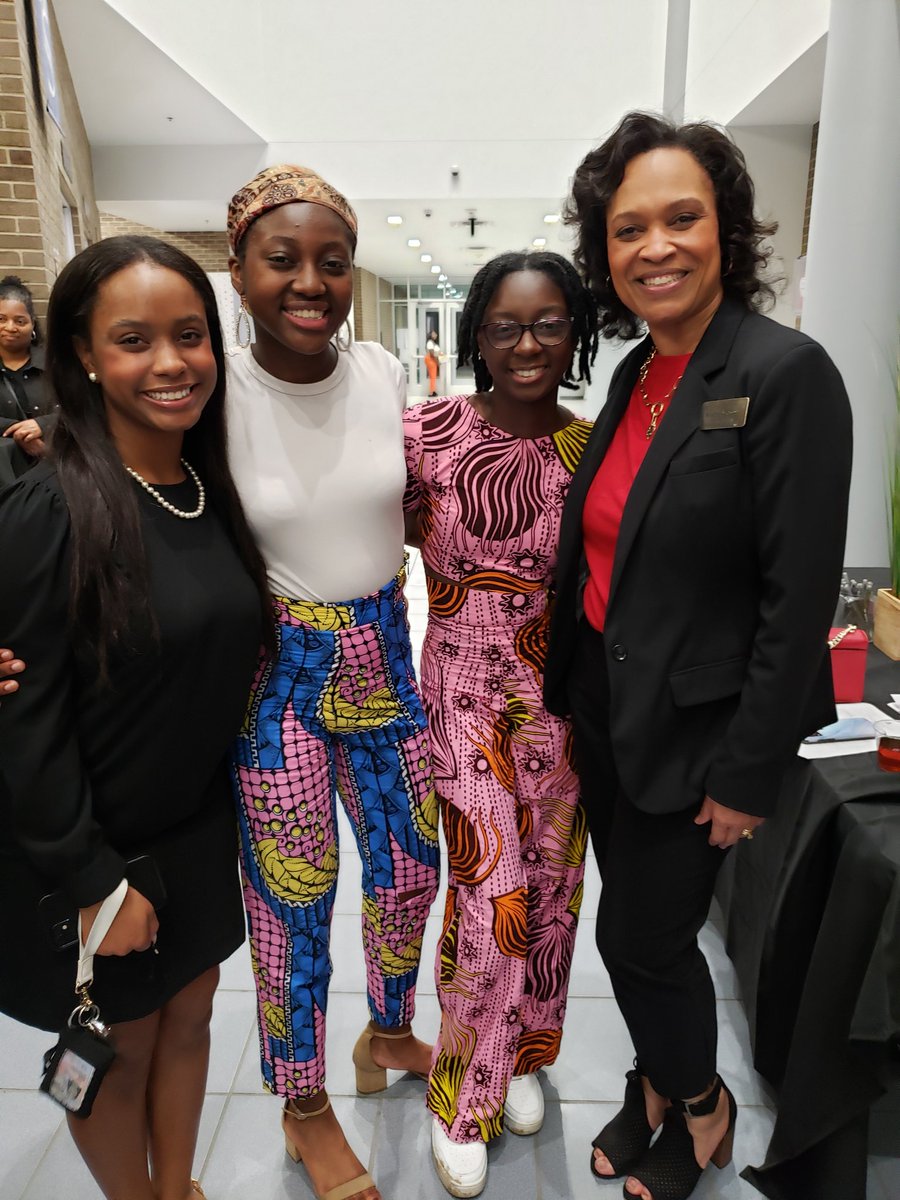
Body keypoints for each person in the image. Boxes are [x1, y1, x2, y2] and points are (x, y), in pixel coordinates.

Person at [542, 111, 853, 1200]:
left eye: (682, 218)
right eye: (629, 229)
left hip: (702, 737)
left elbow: (795, 594)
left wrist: (748, 769)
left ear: (727, 229)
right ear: (605, 249)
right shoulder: (638, 374)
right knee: (639, 932)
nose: (656, 247)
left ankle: (704, 1104)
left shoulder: (783, 373)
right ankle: (654, 1086)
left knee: (640, 940)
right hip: (608, 719)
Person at [0, 236, 270, 1200]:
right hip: (97, 853)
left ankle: (177, 1188)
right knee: (117, 1051)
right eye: (132, 339)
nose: (169, 362)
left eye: (189, 335)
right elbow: (22, 721)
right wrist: (90, 882)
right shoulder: (53, 508)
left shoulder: (204, 488)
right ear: (81, 353)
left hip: (195, 831)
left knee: (191, 1020)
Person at [225, 165, 439, 1200]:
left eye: (332, 261)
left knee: (409, 870)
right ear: (237, 272)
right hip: (281, 677)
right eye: (283, 259)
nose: (310, 280)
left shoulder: (382, 372)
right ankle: (303, 1101)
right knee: (292, 899)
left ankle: (387, 1033)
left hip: (386, 653)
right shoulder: (216, 389)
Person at [404, 250, 598, 1197]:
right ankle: (461, 1094)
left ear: (577, 332)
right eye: (507, 326)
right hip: (463, 691)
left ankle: (523, 1053)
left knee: (554, 894)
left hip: (559, 699)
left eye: (549, 323)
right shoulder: (426, 433)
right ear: (476, 334)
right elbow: (368, 532)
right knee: (491, 899)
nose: (527, 344)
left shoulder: (591, 447)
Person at [0, 274, 56, 481]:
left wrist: (43, 425)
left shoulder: (55, 364)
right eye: (1, 319)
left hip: (58, 467)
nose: (10, 327)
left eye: (20, 320)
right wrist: (18, 432)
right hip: (6, 477)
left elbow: (83, 408)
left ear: (32, 325)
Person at [425, 328, 441, 396]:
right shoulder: (430, 343)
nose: (436, 335)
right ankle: (431, 392)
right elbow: (432, 353)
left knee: (433, 376)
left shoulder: (433, 343)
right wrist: (437, 362)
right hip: (430, 359)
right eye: (434, 333)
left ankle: (433, 391)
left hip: (432, 359)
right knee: (432, 376)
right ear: (430, 335)